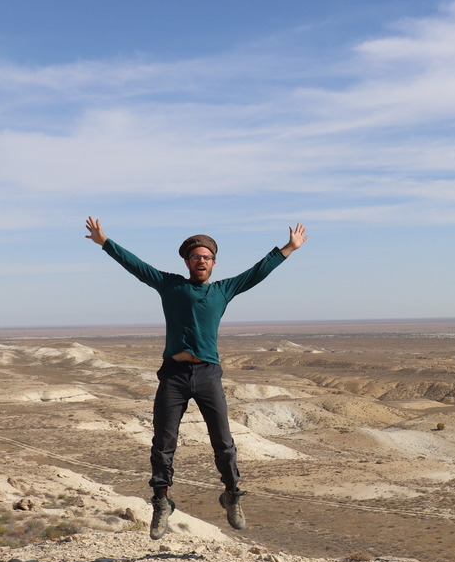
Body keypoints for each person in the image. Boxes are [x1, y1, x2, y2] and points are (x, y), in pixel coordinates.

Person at [84, 216, 309, 539]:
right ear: (187, 261)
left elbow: (257, 272)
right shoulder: (170, 284)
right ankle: (161, 502)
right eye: (195, 256)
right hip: (173, 376)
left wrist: (288, 248)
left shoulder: (223, 290)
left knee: (224, 443)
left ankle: (231, 494)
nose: (200, 261)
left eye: (206, 257)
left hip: (207, 374)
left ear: (214, 263)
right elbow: (135, 265)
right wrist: (105, 242)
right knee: (163, 444)